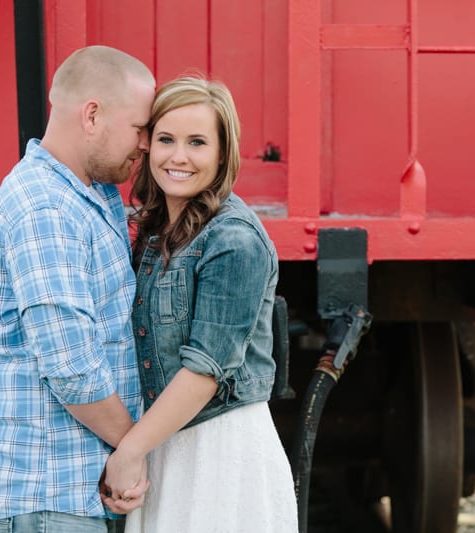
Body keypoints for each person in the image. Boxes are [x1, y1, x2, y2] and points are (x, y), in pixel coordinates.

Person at [0, 45, 156, 532]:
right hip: (47, 490)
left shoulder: (88, 192)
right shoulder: (47, 209)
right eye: (138, 128)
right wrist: (134, 450)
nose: (146, 144)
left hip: (66, 486)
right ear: (92, 115)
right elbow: (72, 369)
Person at [100, 76, 298, 532]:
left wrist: (129, 451)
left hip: (220, 450)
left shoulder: (234, 240)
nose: (179, 156)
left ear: (223, 154)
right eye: (167, 139)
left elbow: (206, 369)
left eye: (197, 142)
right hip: (168, 439)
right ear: (147, 146)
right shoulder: (154, 230)